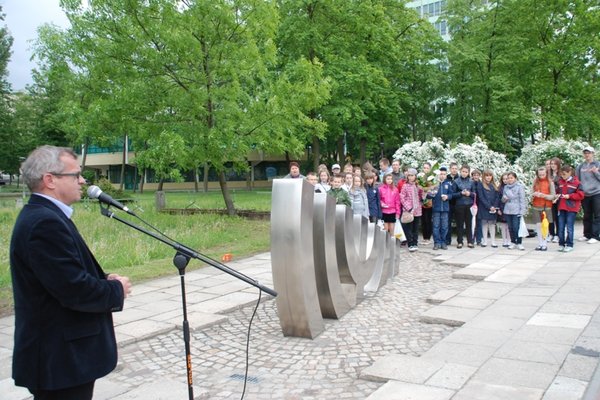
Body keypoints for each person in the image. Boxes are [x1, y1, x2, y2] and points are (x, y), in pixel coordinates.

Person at [10, 145, 132, 400]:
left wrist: (102, 278)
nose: (83, 180)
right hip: (59, 359)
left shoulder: (48, 216)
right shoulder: (44, 223)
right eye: (75, 175)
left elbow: (63, 274)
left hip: (62, 357)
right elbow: (74, 290)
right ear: (50, 180)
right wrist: (116, 289)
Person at [556, 165, 585, 252]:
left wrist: (570, 196)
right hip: (561, 207)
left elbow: (581, 195)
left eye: (564, 174)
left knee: (569, 227)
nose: (562, 176)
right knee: (560, 227)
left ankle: (569, 244)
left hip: (571, 208)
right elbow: (558, 192)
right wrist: (556, 197)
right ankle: (561, 244)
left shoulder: (577, 183)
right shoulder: (560, 182)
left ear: (569, 173)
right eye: (561, 174)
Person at [427, 167, 456, 250]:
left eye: (444, 174)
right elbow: (429, 195)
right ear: (438, 175)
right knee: (436, 226)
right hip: (436, 208)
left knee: (444, 226)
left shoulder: (449, 184)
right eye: (441, 174)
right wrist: (432, 192)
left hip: (445, 209)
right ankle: (436, 242)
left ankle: (443, 242)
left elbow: (452, 195)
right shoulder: (434, 184)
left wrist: (447, 197)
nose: (442, 176)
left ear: (446, 175)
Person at [576, 146, 600, 244]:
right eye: (585, 153)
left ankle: (595, 236)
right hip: (585, 195)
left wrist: (596, 172)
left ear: (593, 153)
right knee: (587, 215)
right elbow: (577, 180)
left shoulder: (598, 164)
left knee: (597, 215)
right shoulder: (580, 166)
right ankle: (587, 235)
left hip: (597, 193)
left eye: (589, 153)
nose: (587, 155)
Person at [531, 166, 556, 251]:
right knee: (538, 226)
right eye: (540, 174)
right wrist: (534, 194)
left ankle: (544, 243)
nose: (541, 175)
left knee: (545, 226)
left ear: (546, 174)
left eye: (543, 174)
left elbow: (553, 196)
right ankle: (540, 243)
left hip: (546, 207)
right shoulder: (535, 182)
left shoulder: (550, 182)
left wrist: (544, 196)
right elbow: (531, 192)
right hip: (536, 206)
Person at [502, 171, 527, 250]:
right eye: (508, 178)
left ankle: (519, 242)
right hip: (508, 209)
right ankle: (513, 241)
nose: (510, 180)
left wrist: (522, 211)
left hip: (517, 209)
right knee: (510, 227)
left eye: (511, 178)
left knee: (516, 227)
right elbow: (502, 200)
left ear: (515, 178)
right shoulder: (506, 187)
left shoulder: (519, 187)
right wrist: (504, 199)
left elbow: (522, 199)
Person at [400, 168, 424, 251]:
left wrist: (424, 194)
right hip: (409, 210)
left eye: (412, 175)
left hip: (417, 209)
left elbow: (421, 196)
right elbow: (402, 198)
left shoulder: (418, 186)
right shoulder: (405, 186)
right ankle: (410, 243)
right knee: (409, 228)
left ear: (415, 176)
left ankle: (415, 243)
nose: (410, 177)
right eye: (409, 175)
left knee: (415, 228)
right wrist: (408, 207)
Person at [477, 170, 500, 247]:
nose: (488, 177)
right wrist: (489, 206)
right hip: (484, 208)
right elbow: (481, 197)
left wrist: (494, 206)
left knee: (492, 224)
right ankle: (485, 241)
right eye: (487, 176)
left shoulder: (494, 185)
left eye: (490, 176)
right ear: (484, 176)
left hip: (493, 208)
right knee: (484, 224)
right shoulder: (480, 185)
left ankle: (493, 241)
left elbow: (497, 197)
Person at [454, 164, 475, 248]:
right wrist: (460, 193)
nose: (464, 173)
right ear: (460, 171)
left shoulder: (471, 181)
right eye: (463, 171)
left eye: (466, 172)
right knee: (459, 224)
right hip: (459, 205)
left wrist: (469, 193)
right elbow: (452, 194)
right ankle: (460, 241)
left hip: (469, 205)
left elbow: (475, 194)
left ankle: (470, 241)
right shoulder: (456, 181)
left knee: (469, 224)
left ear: (468, 172)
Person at [548, 157, 562, 242]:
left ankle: (558, 234)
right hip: (549, 198)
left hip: (558, 198)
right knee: (550, 217)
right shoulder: (548, 174)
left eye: (554, 164)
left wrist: (557, 196)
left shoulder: (560, 174)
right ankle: (551, 233)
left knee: (557, 217)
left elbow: (561, 186)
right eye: (551, 164)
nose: (553, 165)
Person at [445, 162, 459, 245]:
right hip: (448, 203)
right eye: (453, 168)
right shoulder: (446, 178)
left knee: (459, 222)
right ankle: (447, 240)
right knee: (448, 222)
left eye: (456, 168)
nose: (454, 170)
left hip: (457, 203)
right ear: (450, 169)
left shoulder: (459, 178)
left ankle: (459, 240)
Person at [420, 162, 434, 245]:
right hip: (421, 201)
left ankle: (428, 237)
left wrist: (428, 191)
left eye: (427, 168)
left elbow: (434, 190)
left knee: (428, 219)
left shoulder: (432, 178)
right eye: (424, 168)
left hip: (429, 201)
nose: (426, 169)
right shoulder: (420, 178)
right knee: (423, 220)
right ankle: (424, 237)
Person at [497, 173, 511, 247]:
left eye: (506, 179)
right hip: (502, 208)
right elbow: (497, 199)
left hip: (510, 208)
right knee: (503, 226)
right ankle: (504, 240)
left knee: (509, 225)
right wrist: (498, 209)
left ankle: (509, 240)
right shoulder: (499, 188)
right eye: (504, 179)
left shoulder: (511, 187)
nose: (505, 180)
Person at [471, 169, 483, 245]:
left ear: (479, 176)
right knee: (471, 223)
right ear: (472, 176)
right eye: (474, 175)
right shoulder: (470, 183)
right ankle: (472, 238)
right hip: (471, 205)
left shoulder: (481, 184)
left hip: (479, 205)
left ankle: (479, 239)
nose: (476, 176)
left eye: (477, 175)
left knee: (479, 223)